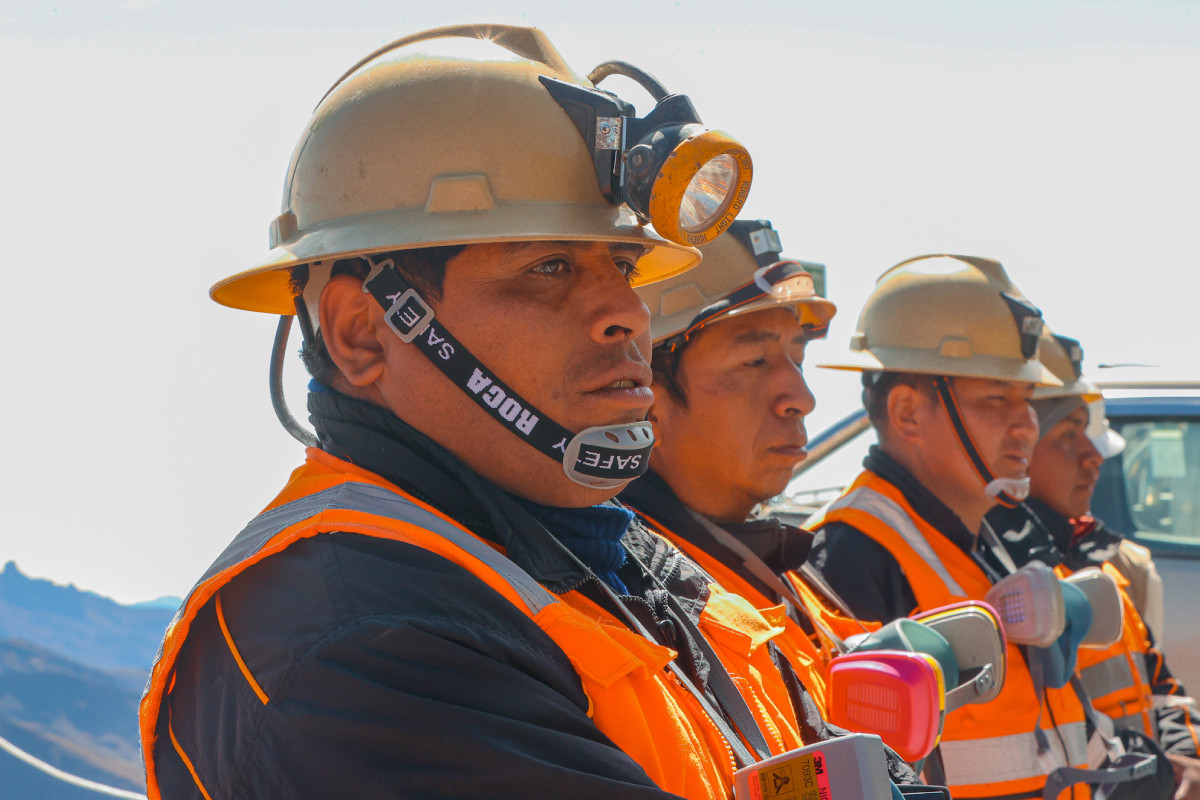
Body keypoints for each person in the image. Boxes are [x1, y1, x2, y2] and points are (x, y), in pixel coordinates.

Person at [137, 25, 816, 800]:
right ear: (362, 332)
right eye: (549, 267)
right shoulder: (360, 639)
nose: (629, 314)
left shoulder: (614, 561)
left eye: (623, 268)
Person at [806, 254, 1102, 800]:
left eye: (1028, 399)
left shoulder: (984, 538)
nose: (1027, 424)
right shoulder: (851, 554)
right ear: (907, 413)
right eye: (998, 398)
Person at [984, 332, 1200, 797]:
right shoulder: (996, 576)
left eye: (1088, 432)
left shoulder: (1102, 562)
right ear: (1018, 444)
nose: (1093, 455)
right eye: (1068, 434)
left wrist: (1189, 761)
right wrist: (1164, 779)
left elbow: (1161, 687)